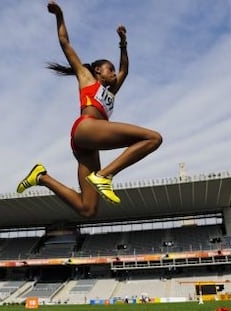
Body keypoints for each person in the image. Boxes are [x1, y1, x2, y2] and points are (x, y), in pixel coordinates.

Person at [17, 1, 162, 217]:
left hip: (87, 145)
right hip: (86, 128)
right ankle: (105, 176)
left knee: (88, 209)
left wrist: (123, 43)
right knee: (153, 138)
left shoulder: (110, 92)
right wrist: (59, 14)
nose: (114, 73)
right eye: (109, 69)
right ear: (97, 71)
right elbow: (64, 42)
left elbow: (125, 70)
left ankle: (41, 177)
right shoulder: (86, 78)